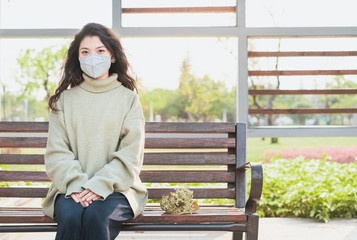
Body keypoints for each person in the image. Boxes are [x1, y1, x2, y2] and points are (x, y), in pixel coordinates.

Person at [42, 22, 148, 240]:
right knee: (72, 216)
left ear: (112, 56)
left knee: (95, 215)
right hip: (69, 188)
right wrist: (77, 186)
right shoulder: (64, 101)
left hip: (118, 189)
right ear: (78, 58)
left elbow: (130, 155)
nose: (93, 56)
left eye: (100, 51)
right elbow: (57, 153)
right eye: (85, 51)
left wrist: (100, 185)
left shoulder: (128, 100)